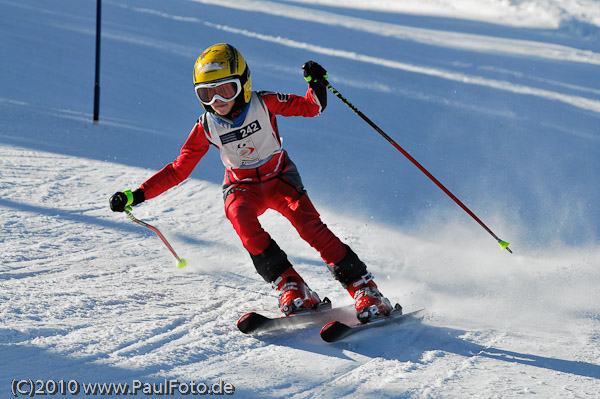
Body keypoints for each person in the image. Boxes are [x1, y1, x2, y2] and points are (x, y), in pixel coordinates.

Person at [109, 43, 393, 323]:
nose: (216, 101)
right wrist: (136, 195)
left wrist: (317, 84)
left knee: (310, 228)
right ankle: (291, 285)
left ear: (243, 84)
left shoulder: (264, 102)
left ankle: (364, 288)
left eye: (225, 89)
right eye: (206, 93)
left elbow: (310, 107)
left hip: (280, 178)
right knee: (241, 219)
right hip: (241, 187)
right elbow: (178, 169)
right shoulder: (206, 126)